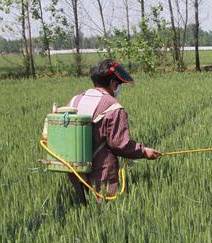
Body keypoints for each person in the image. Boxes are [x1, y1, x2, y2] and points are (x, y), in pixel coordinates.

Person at [67, 59, 161, 204]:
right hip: (101, 168)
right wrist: (143, 152)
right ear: (112, 83)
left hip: (74, 166)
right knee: (103, 210)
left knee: (83, 206)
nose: (119, 88)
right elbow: (120, 144)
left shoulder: (76, 99)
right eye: (119, 84)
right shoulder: (113, 107)